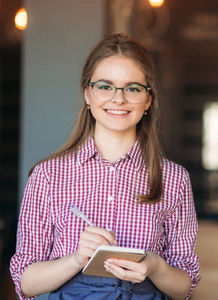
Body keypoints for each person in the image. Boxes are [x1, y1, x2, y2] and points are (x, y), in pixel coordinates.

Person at [10, 33, 200, 300]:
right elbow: (26, 283)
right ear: (87, 93)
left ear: (148, 100)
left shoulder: (175, 179)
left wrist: (154, 266)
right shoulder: (49, 176)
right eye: (105, 86)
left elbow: (184, 287)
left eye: (133, 88)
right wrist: (77, 259)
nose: (118, 99)